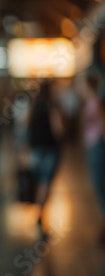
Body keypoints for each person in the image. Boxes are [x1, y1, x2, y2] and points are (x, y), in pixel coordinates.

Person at [27, 82, 64, 239]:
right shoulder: (53, 106)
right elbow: (59, 129)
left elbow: (25, 126)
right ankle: (41, 215)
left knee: (40, 182)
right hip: (49, 149)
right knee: (45, 183)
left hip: (35, 149)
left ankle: (39, 213)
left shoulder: (33, 106)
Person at [80, 73, 105, 246]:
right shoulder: (89, 103)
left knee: (99, 185)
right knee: (97, 185)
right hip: (92, 147)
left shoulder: (96, 103)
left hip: (97, 148)